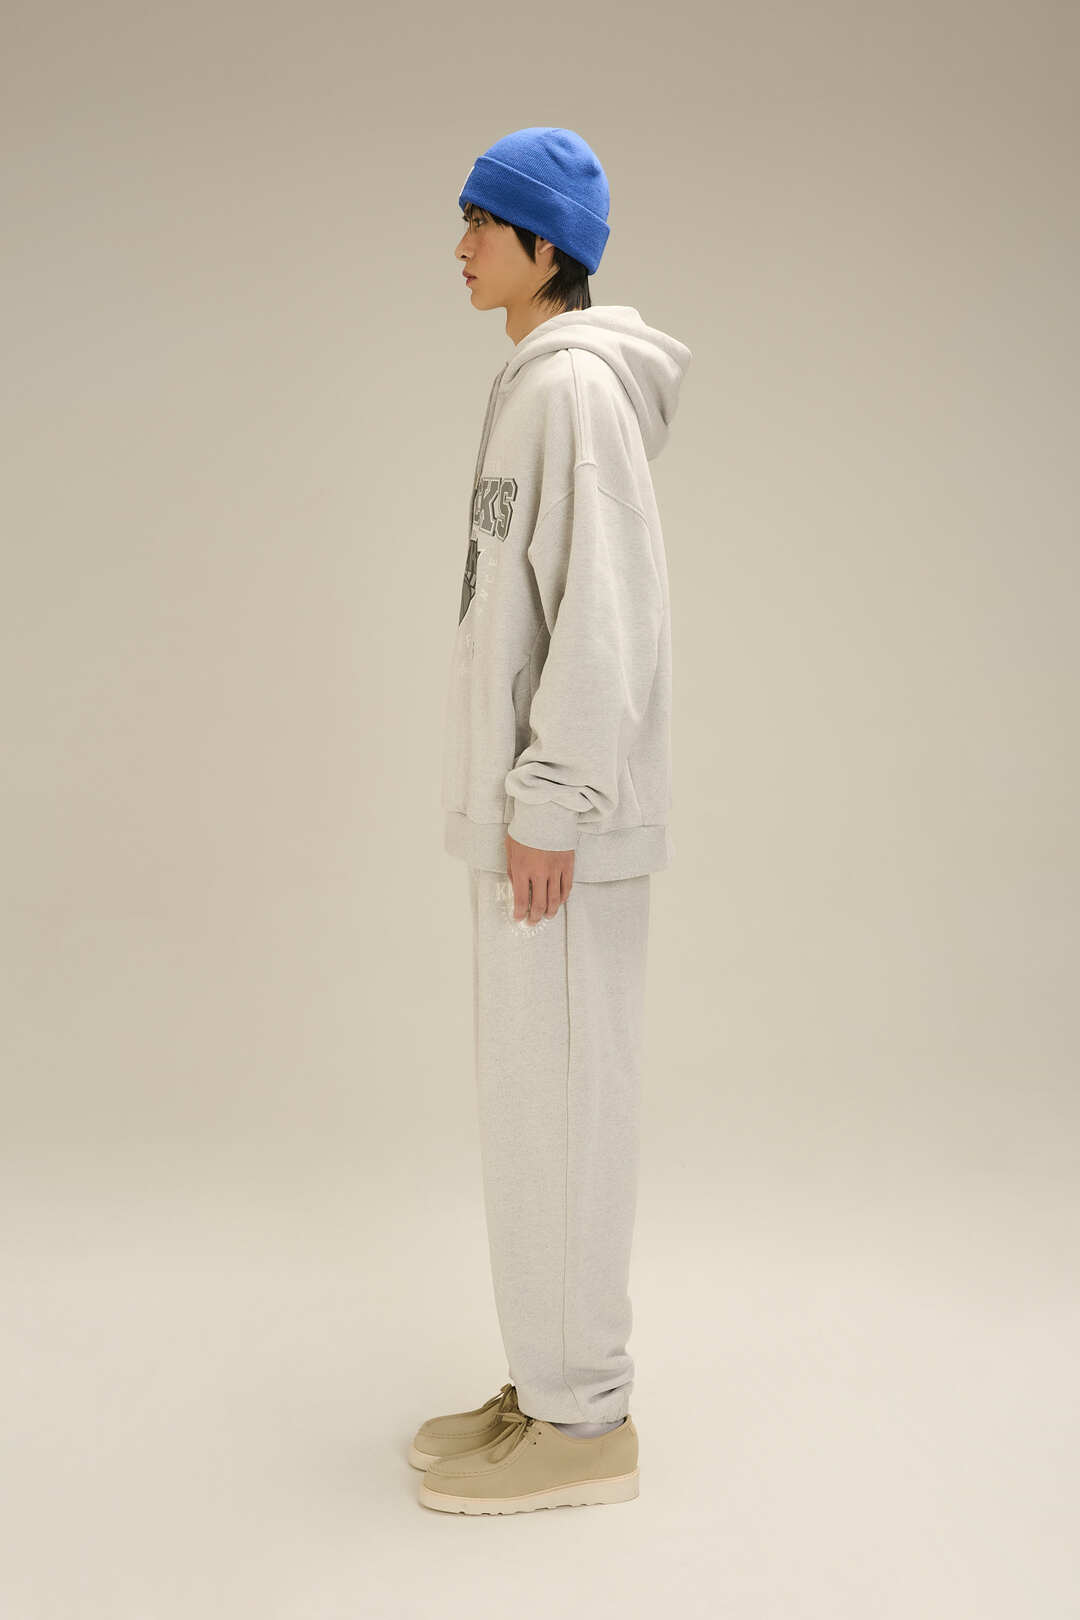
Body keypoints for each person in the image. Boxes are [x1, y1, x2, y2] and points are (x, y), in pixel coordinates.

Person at [419, 126, 692, 1515]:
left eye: (485, 223)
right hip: (531, 827)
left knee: (570, 1115)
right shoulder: (533, 384)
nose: (462, 245)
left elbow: (607, 611)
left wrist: (554, 799)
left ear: (547, 248)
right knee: (535, 1120)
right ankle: (548, 1381)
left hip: (560, 835)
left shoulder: (577, 391)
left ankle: (588, 1419)